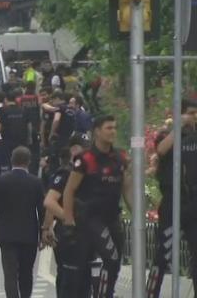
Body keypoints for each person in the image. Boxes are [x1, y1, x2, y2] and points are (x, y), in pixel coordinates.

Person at [62, 115, 133, 298]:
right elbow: (69, 191)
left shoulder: (120, 157)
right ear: (97, 131)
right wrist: (69, 221)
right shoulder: (85, 159)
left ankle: (105, 293)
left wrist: (137, 213)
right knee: (111, 258)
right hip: (91, 218)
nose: (113, 132)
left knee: (116, 263)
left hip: (113, 217)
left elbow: (127, 188)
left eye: (115, 128)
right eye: (109, 128)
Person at [146, 99, 197, 297]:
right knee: (162, 254)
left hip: (193, 202)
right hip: (172, 202)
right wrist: (180, 126)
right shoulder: (168, 135)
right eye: (191, 113)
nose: (194, 117)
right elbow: (161, 150)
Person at [0, 146, 45, 298]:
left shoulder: (0, 181)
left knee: (10, 274)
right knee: (26, 273)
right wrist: (43, 233)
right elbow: (42, 210)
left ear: (12, 161)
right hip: (29, 235)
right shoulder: (36, 183)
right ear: (29, 162)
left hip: (6, 235)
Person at [42, 136, 90, 297]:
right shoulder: (65, 174)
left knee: (83, 277)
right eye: (84, 148)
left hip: (87, 230)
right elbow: (51, 202)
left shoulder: (88, 173)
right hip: (68, 231)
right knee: (68, 277)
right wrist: (48, 227)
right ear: (74, 150)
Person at [0, 89, 32, 173]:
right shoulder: (23, 110)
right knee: (22, 159)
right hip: (22, 139)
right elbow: (29, 125)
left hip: (7, 140)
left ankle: (11, 175)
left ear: (6, 99)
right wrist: (29, 138)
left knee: (9, 160)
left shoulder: (3, 110)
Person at [47, 91, 76, 175]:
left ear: (57, 99)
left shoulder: (60, 108)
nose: (52, 103)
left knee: (55, 160)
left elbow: (56, 120)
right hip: (70, 138)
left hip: (60, 138)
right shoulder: (72, 109)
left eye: (53, 100)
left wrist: (51, 133)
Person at [18, 81, 41, 175]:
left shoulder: (20, 99)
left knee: (24, 149)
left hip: (24, 128)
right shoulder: (37, 98)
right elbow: (40, 112)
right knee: (35, 151)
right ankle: (33, 171)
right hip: (35, 127)